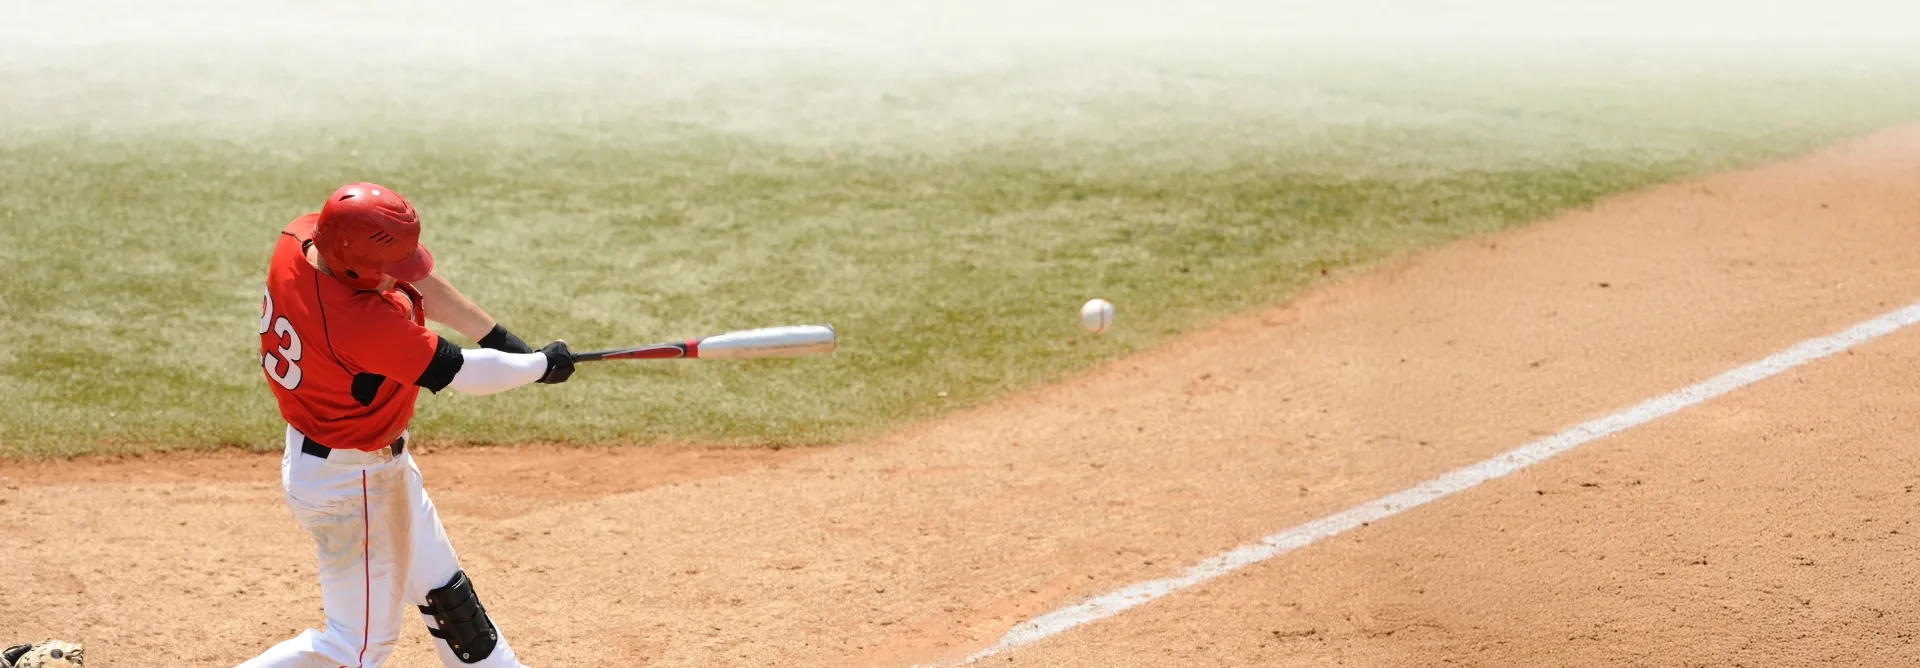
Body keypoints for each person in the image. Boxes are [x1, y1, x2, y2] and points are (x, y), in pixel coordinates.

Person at [240, 182, 574, 667]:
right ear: (355, 263)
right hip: (353, 486)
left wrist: (503, 340)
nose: (397, 278)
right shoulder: (360, 323)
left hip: (357, 465)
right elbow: (462, 372)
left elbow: (416, 284)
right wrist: (539, 366)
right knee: (354, 648)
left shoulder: (303, 239)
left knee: (448, 598)